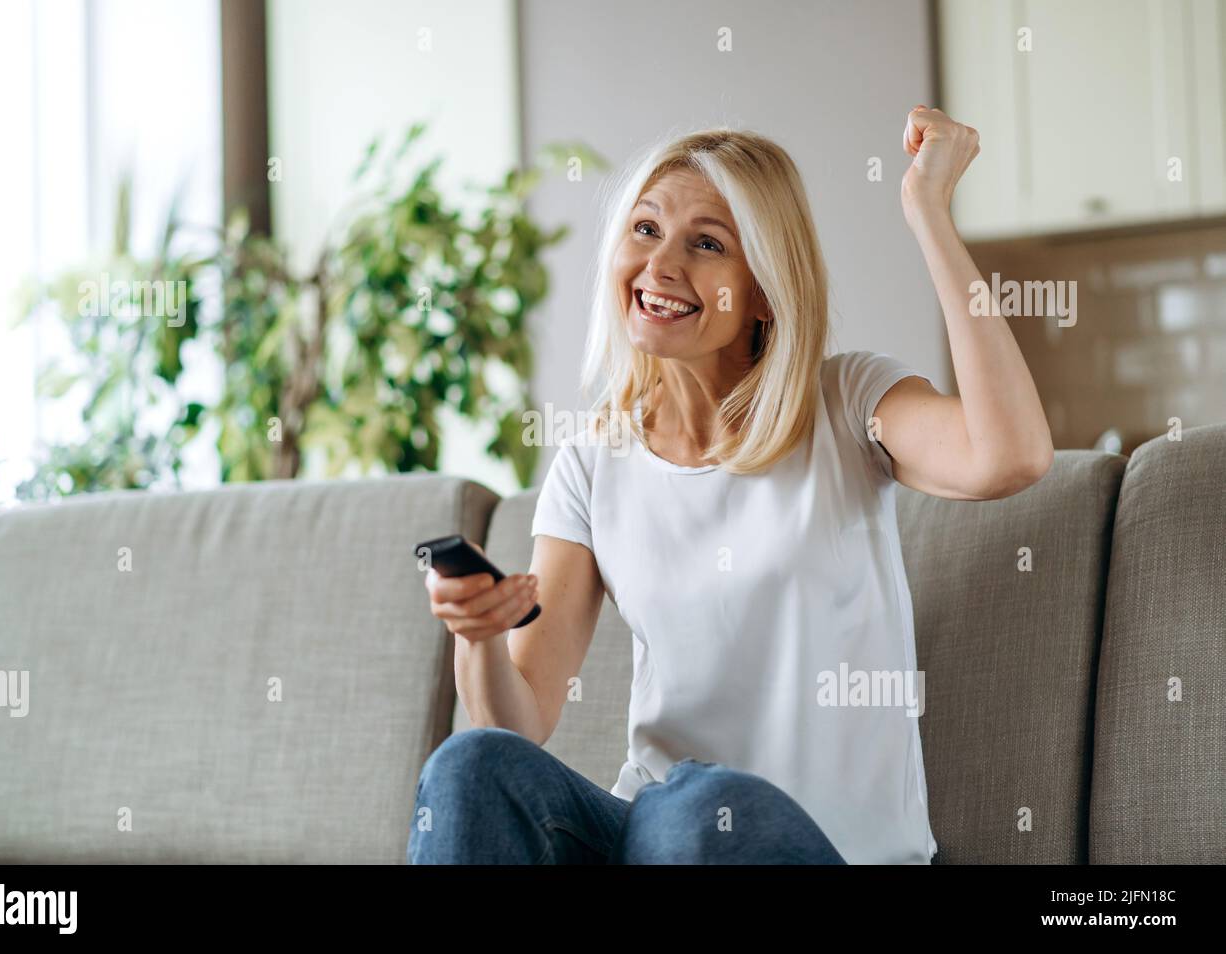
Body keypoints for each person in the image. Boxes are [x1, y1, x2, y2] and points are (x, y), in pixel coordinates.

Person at [410, 109, 1054, 864]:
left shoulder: (847, 405)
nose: (660, 265)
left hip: (804, 847)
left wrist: (930, 213)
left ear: (765, 293)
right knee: (470, 765)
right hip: (652, 836)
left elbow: (1009, 454)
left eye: (706, 243)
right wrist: (478, 636)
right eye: (646, 229)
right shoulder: (593, 460)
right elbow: (519, 722)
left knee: (701, 804)